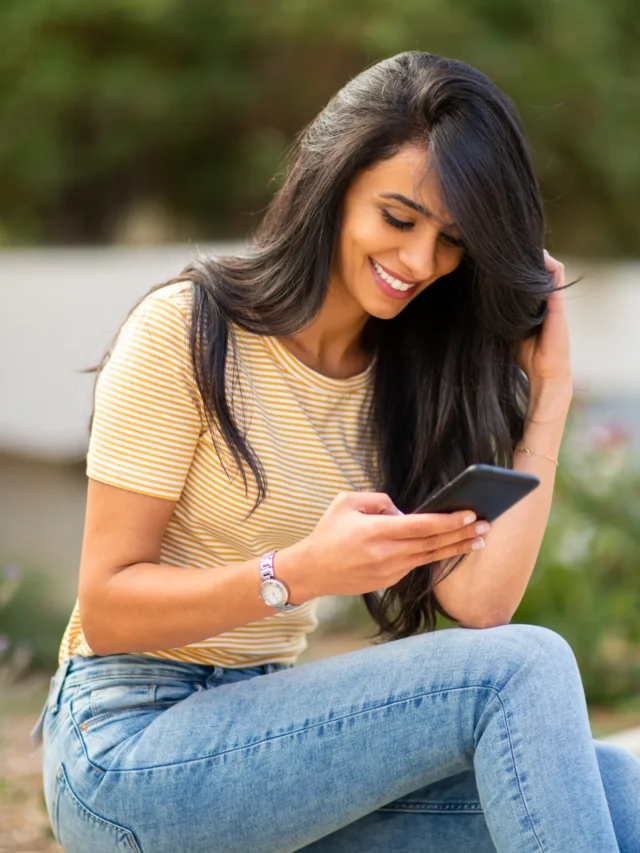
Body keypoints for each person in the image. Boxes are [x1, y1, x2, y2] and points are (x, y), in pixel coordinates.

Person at [33, 51, 640, 853]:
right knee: (525, 666)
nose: (420, 263)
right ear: (335, 181)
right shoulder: (189, 329)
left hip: (269, 747)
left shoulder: (405, 375)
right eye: (399, 218)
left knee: (624, 792)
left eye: (453, 240)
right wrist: (302, 572)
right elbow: (106, 606)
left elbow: (481, 604)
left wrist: (552, 393)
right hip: (127, 750)